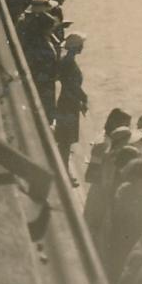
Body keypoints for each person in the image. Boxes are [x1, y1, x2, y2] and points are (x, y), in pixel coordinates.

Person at [55, 32, 89, 177]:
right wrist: (81, 99)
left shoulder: (67, 61)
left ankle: (64, 168)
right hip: (69, 104)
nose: (83, 47)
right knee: (65, 140)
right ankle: (64, 171)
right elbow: (71, 86)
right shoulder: (69, 63)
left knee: (65, 140)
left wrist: (82, 97)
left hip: (68, 102)